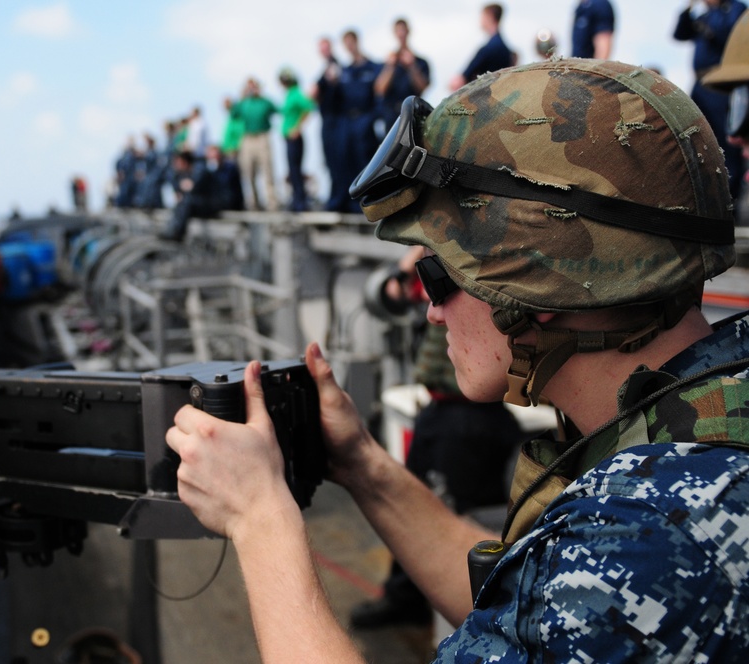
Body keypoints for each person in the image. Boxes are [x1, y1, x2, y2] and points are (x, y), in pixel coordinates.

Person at [166, 58, 749, 661]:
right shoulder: (708, 419)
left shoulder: (646, 540)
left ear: (533, 281)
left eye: (439, 277)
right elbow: (531, 610)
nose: (432, 312)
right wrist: (361, 462)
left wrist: (259, 517)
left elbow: (590, 594)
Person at [350, 247, 523, 630]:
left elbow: (404, 293)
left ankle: (477, 619)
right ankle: (406, 597)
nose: (435, 313)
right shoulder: (442, 277)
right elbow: (399, 294)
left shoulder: (470, 270)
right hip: (442, 410)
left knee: (461, 517)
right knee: (416, 502)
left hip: (471, 419)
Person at [674, 0, 748, 202]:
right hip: (700, 85)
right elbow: (679, 34)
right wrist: (689, 8)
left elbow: (729, 37)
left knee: (728, 143)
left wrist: (706, 28)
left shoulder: (735, 9)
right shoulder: (703, 15)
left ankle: (730, 198)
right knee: (697, 138)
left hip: (722, 85)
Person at [338, 29, 382, 213]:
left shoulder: (373, 67)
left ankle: (371, 203)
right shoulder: (345, 71)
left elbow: (379, 93)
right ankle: (353, 205)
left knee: (368, 161)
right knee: (349, 161)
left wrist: (373, 118)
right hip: (349, 121)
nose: (349, 46)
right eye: (346, 43)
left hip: (366, 119)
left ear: (356, 41)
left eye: (351, 42)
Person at [230, 78, 279, 211]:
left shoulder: (265, 102)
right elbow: (233, 114)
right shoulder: (243, 103)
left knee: (267, 170)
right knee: (248, 171)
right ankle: (254, 203)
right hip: (247, 138)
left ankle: (272, 203)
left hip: (263, 137)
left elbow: (277, 110)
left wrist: (261, 95)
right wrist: (242, 96)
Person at [312, 37, 349, 212]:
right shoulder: (326, 68)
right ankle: (335, 198)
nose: (324, 50)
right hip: (327, 119)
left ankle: (339, 200)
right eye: (322, 48)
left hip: (336, 120)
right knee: (330, 161)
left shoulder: (335, 66)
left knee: (338, 160)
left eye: (326, 47)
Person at [373, 19, 431, 128]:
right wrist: (390, 66)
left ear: (408, 31)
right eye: (398, 31)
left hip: (413, 113)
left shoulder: (420, 62)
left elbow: (423, 88)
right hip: (391, 116)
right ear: (394, 33)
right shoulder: (387, 63)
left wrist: (412, 66)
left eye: (403, 30)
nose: (401, 34)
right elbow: (379, 89)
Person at [450, 4, 515, 91]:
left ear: (489, 17)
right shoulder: (507, 51)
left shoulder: (488, 49)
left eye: (482, 17)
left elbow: (459, 81)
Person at [278, 68, 315, 212]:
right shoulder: (288, 94)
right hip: (288, 138)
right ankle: (296, 200)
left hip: (295, 138)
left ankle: (300, 202)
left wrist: (297, 127)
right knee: (292, 170)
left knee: (295, 170)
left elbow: (309, 107)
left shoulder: (296, 93)